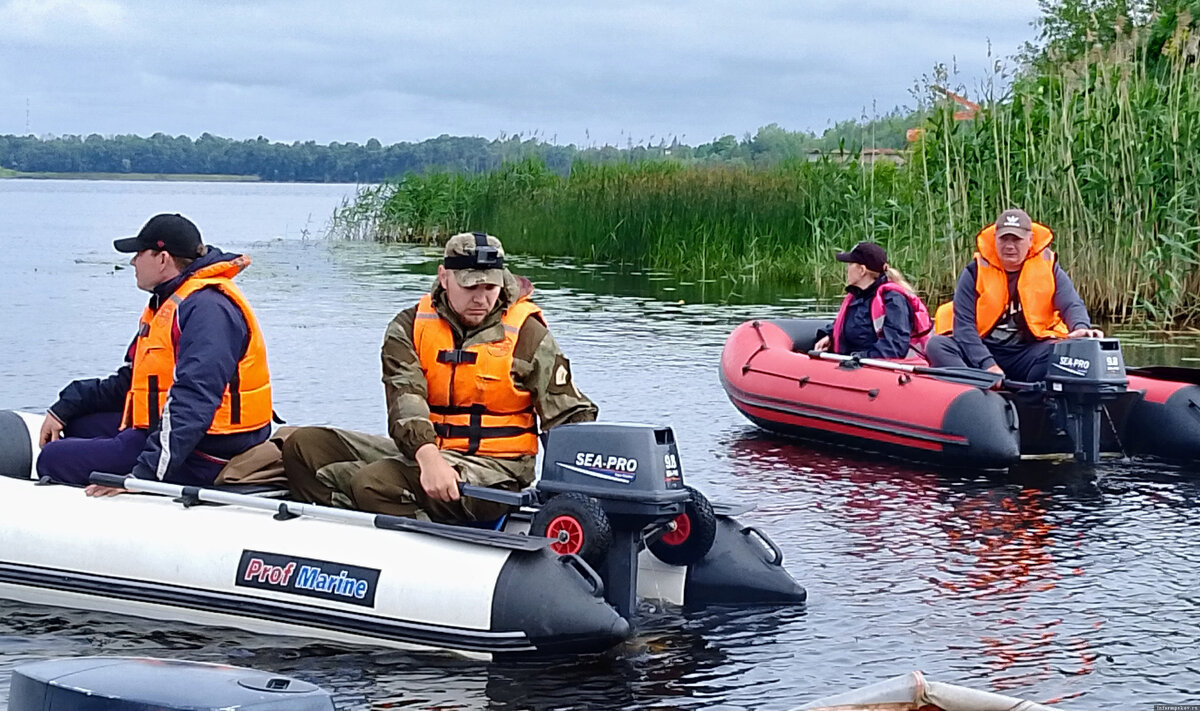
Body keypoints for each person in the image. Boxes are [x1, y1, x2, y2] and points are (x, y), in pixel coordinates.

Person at [282, 232, 598, 523]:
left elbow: (569, 417)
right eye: (470, 286)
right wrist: (430, 459)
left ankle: (419, 535)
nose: (481, 298)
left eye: (489, 287)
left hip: (496, 472)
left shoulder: (528, 334)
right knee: (304, 447)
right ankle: (349, 528)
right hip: (426, 453)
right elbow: (406, 401)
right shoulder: (409, 327)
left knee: (374, 483)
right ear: (444, 277)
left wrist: (574, 498)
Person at [37, 214, 274, 496]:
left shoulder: (208, 310)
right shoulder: (172, 302)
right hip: (178, 432)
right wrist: (68, 404)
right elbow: (134, 381)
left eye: (139, 253)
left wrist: (143, 476)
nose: (133, 262)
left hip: (208, 451)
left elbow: (194, 400)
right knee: (78, 424)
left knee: (51, 458)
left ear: (162, 259)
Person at [925, 208, 1104, 381]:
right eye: (1004, 239)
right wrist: (988, 365)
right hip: (982, 350)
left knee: (1058, 354)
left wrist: (1080, 327)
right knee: (937, 346)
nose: (1009, 246)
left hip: (1027, 352)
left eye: (1016, 240)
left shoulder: (1049, 269)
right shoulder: (974, 272)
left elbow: (1071, 304)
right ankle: (975, 389)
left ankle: (1030, 398)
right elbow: (964, 328)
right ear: (995, 239)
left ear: (1030, 239)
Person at [813, 241, 932, 359]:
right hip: (851, 362)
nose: (846, 269)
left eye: (849, 264)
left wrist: (858, 358)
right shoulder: (857, 295)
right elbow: (845, 324)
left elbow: (894, 346)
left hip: (878, 369)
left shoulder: (894, 300)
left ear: (862, 270)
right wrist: (829, 335)